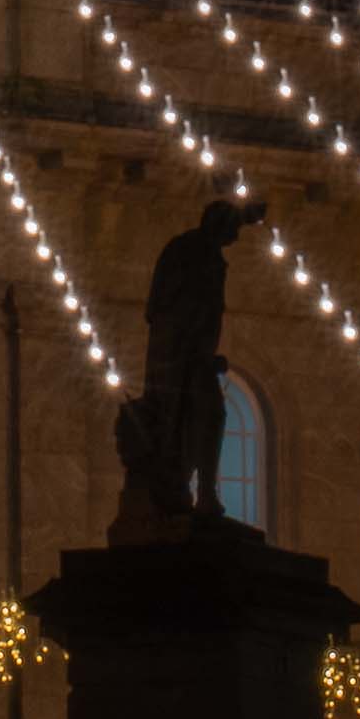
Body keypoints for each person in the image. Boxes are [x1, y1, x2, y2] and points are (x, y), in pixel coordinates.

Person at [114, 197, 265, 531]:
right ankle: (194, 490)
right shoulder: (187, 252)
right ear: (218, 225)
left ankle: (200, 491)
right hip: (179, 357)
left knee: (209, 414)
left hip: (195, 357)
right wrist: (189, 354)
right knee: (198, 414)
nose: (236, 238)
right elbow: (170, 310)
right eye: (233, 229)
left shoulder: (209, 257)